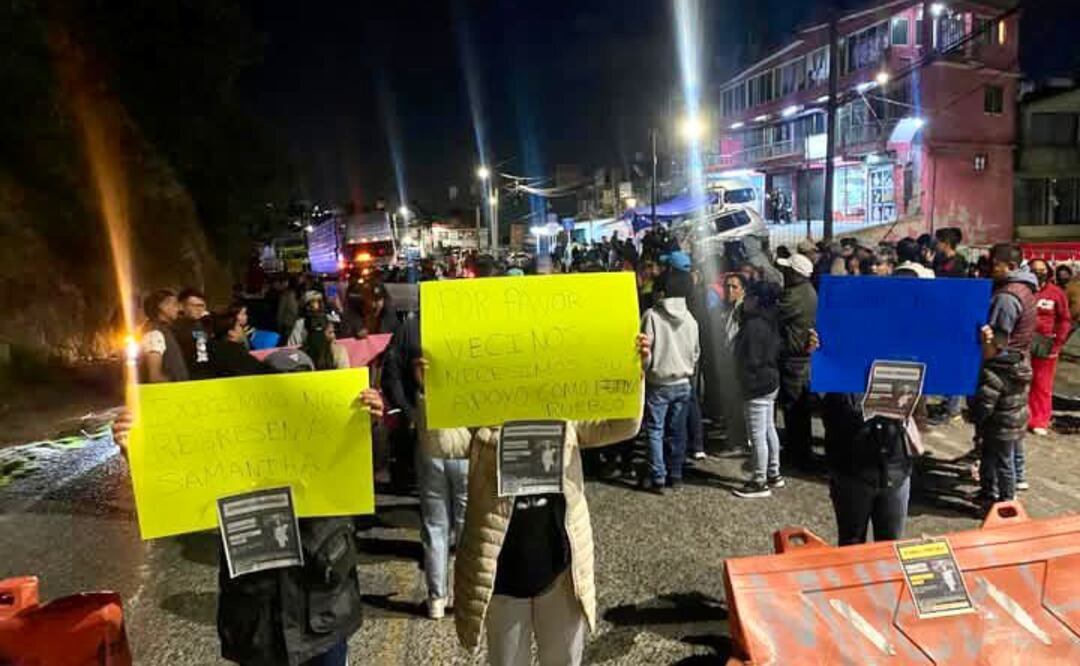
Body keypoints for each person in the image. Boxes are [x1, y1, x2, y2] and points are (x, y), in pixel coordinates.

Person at [112, 366, 384, 666]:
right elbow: (175, 483)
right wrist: (135, 450)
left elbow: (376, 468)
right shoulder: (231, 456)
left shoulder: (331, 456)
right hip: (258, 620)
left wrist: (369, 426)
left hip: (323, 612)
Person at [418, 334, 648, 666]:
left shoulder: (566, 411)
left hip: (561, 570)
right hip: (501, 571)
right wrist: (430, 393)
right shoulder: (482, 410)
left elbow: (622, 426)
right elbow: (440, 444)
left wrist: (633, 375)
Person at [381, 316, 467, 620]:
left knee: (434, 522)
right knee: (466, 521)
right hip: (464, 429)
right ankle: (467, 596)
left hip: (427, 427)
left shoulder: (410, 328)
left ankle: (436, 599)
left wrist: (409, 413)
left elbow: (389, 374)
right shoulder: (469, 323)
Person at [971, 243, 1037, 512]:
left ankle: (1006, 503)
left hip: (1001, 373)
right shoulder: (1026, 289)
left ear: (1009, 266)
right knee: (1001, 442)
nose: (990, 268)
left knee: (1000, 445)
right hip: (1016, 370)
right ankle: (989, 493)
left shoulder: (1006, 297)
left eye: (994, 264)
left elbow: (995, 344)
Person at [822, 392, 917, 545]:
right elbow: (834, 416)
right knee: (852, 544)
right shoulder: (839, 382)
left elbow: (919, 418)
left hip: (896, 471)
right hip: (852, 473)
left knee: (890, 546)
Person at [640, 256, 700, 494]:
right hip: (683, 382)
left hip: (658, 382)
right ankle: (675, 474)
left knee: (655, 430)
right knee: (678, 430)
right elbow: (696, 352)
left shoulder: (651, 316)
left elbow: (644, 352)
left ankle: (658, 477)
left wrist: (646, 370)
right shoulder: (691, 320)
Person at [732, 281, 783, 498]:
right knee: (769, 428)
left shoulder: (753, 325)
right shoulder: (771, 320)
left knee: (757, 434)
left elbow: (750, 358)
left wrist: (741, 376)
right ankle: (774, 472)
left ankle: (759, 480)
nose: (745, 300)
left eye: (749, 296)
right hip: (771, 380)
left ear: (756, 300)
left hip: (757, 383)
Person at [776, 253, 817, 468]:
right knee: (798, 407)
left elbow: (775, 313)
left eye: (788, 270)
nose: (784, 273)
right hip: (799, 356)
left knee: (795, 407)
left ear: (796, 274)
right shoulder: (805, 292)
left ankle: (798, 452)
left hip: (795, 357)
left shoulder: (795, 295)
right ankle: (798, 449)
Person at [1027, 259, 1072, 436]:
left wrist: (1058, 343)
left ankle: (1040, 419)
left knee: (1042, 383)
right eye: (1034, 270)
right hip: (1023, 340)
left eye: (1041, 270)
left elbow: (1064, 320)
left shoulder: (1056, 293)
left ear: (1048, 272)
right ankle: (1023, 416)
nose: (1038, 273)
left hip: (1046, 342)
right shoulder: (1025, 290)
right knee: (1022, 380)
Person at [138, 289, 189, 384]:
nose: (178, 309)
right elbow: (154, 377)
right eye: (174, 304)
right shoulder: (154, 333)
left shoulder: (165, 330)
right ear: (162, 307)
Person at [209, 306, 271, 377]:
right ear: (231, 333)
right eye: (238, 326)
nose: (241, 329)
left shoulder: (213, 349)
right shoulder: (237, 354)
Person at [172, 288, 214, 379]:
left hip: (205, 373)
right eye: (194, 306)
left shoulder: (205, 325)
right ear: (182, 306)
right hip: (185, 375)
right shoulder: (174, 328)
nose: (198, 309)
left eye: (201, 306)